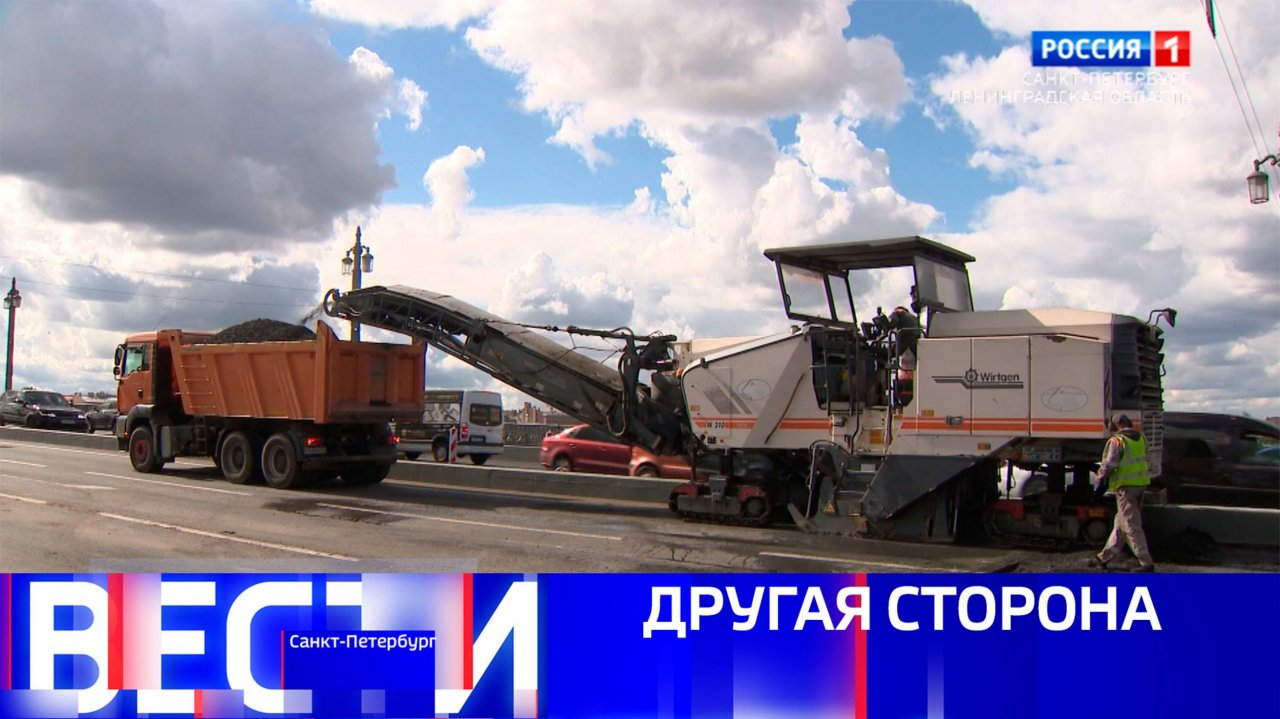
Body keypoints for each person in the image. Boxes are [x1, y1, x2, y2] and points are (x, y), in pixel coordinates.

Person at [1087, 413, 1156, 572]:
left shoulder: (1117, 441)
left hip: (1126, 488)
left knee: (1130, 525)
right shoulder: (1141, 438)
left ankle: (1146, 562)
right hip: (1140, 485)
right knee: (1120, 524)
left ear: (1115, 425)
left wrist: (1099, 476)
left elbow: (1110, 464)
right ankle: (1103, 558)